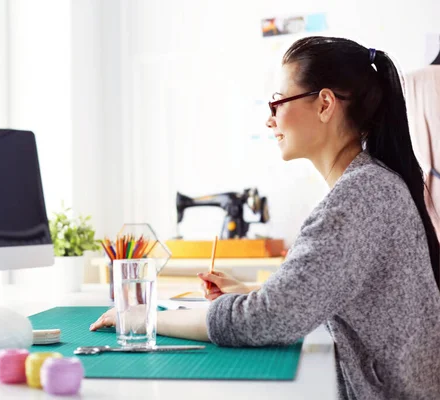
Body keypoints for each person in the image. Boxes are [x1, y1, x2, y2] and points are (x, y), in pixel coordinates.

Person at [89, 36, 440, 399]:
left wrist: (141, 318)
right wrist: (254, 292)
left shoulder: (361, 194)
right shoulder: (370, 185)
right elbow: (328, 294)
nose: (270, 119)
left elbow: (265, 320)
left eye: (278, 102)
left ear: (324, 104)